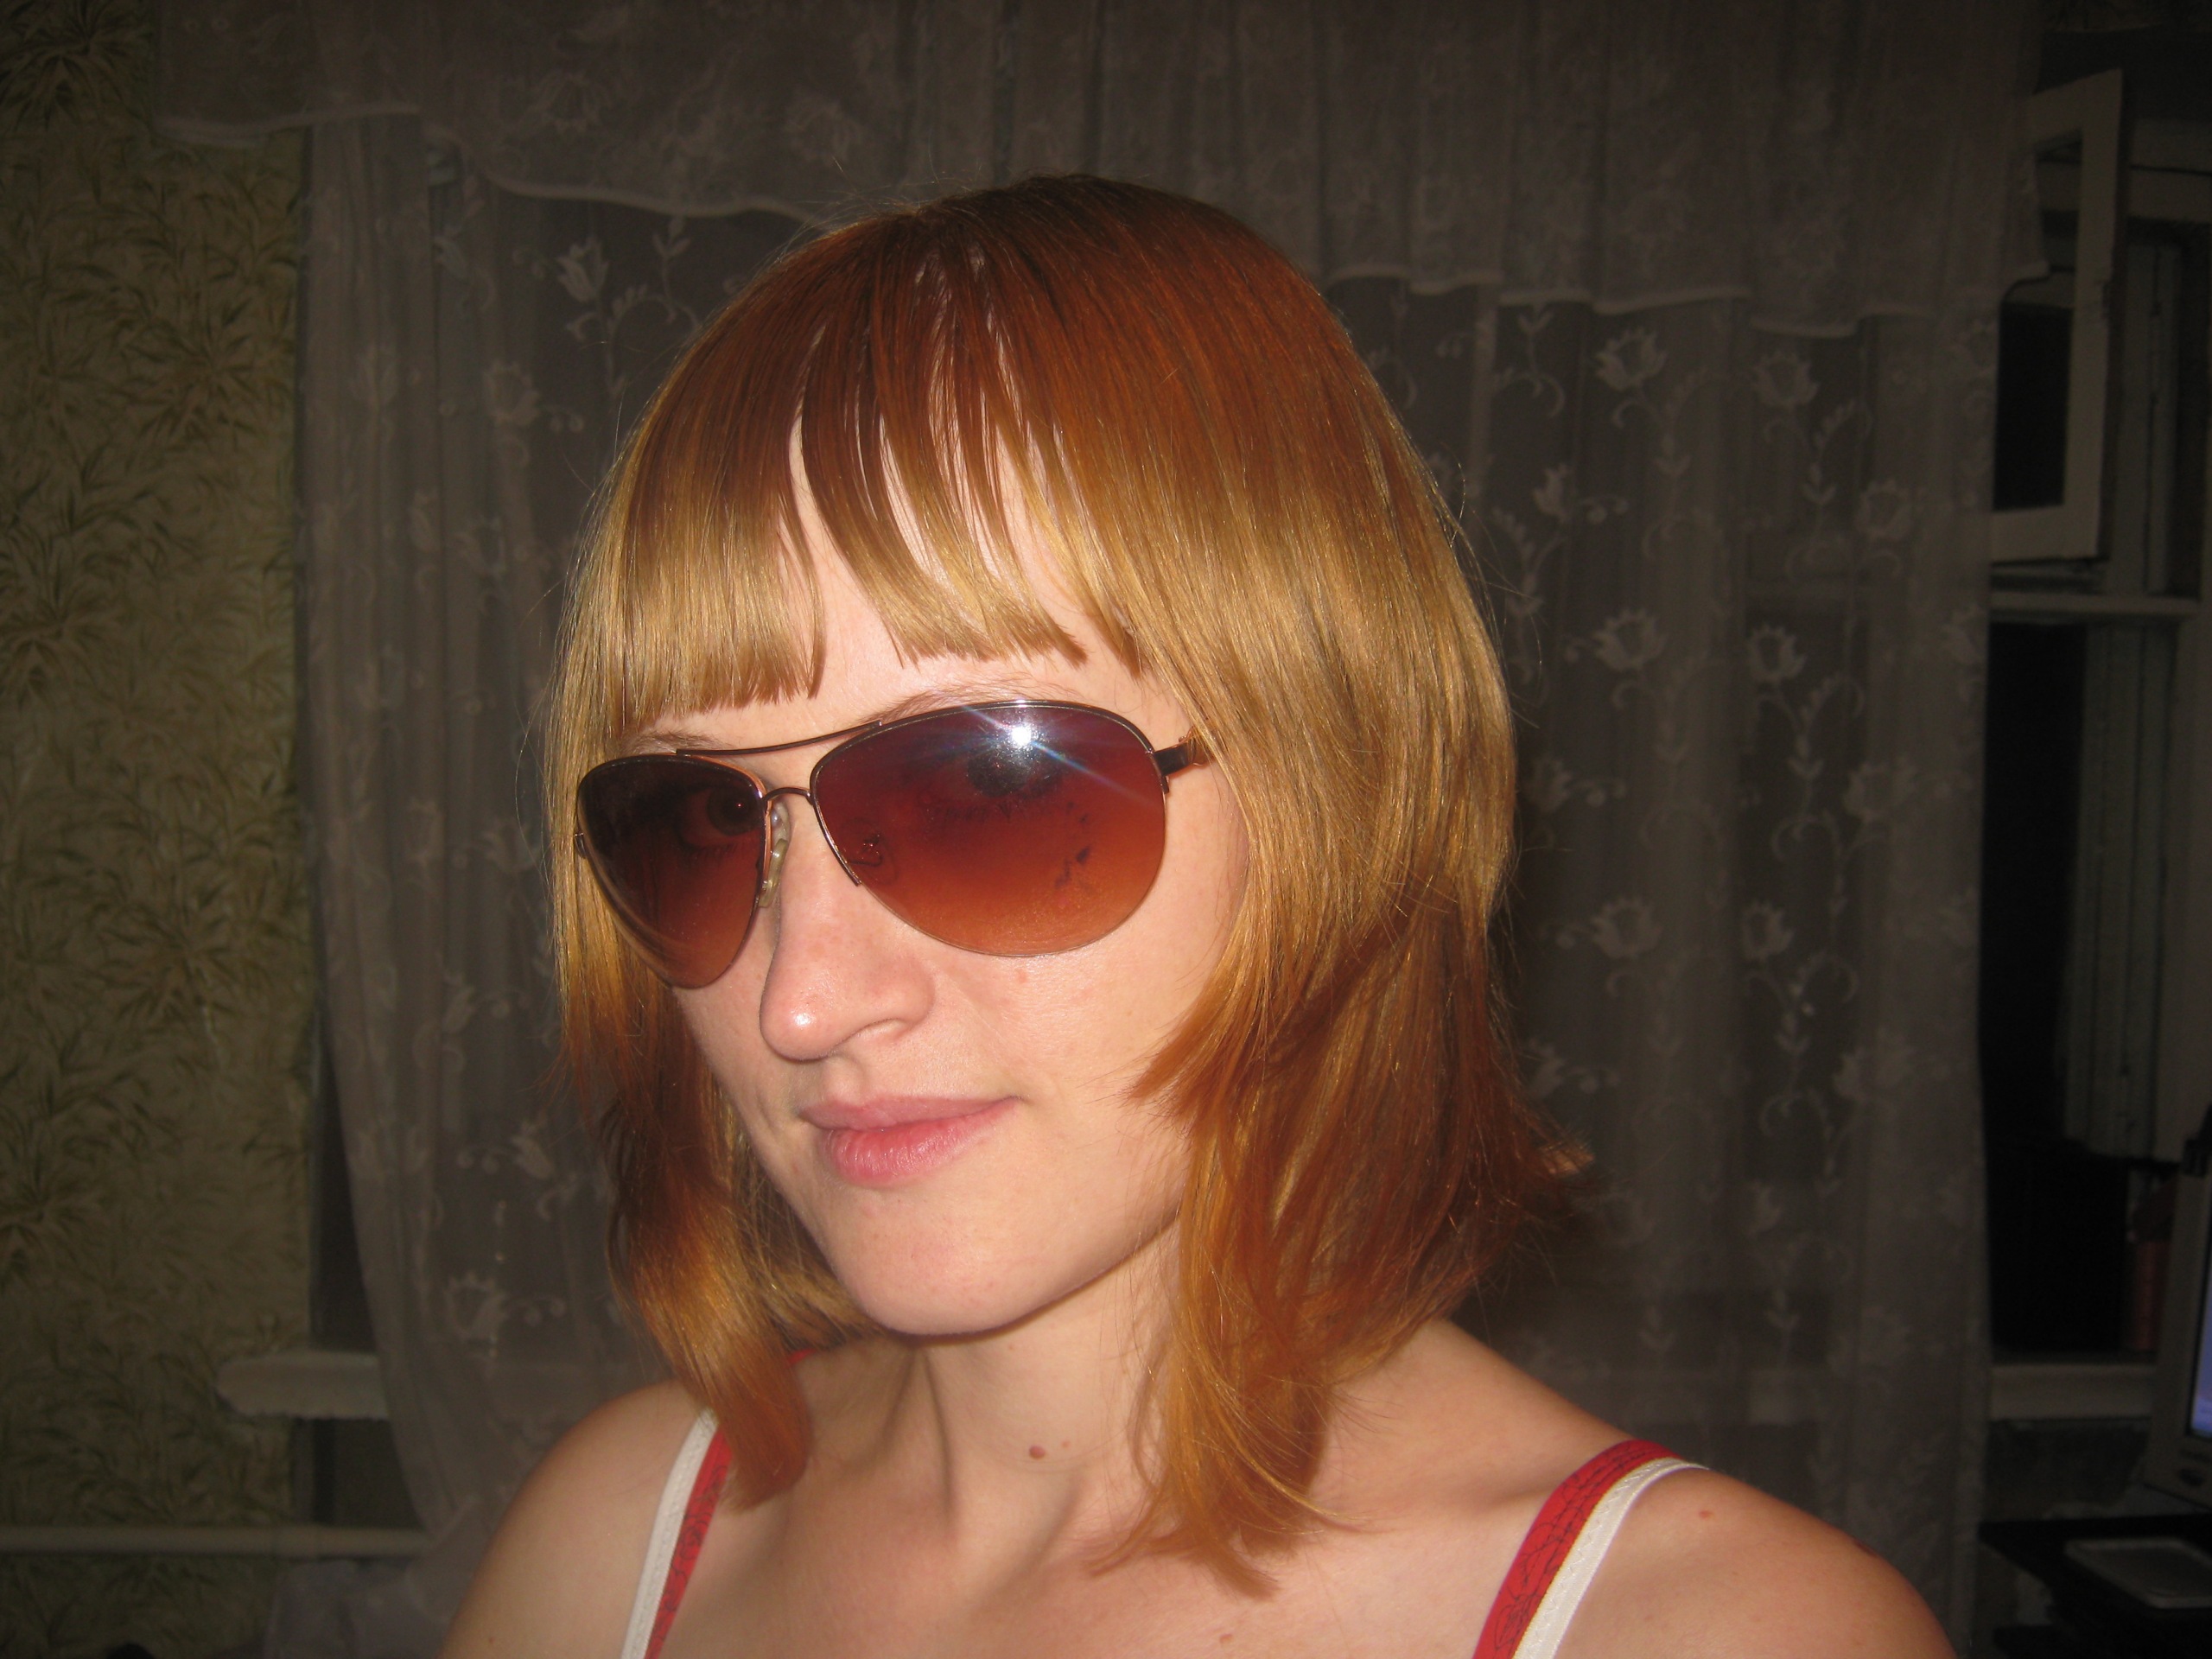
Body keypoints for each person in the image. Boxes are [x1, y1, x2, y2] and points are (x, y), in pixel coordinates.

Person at [444, 175, 1948, 1659]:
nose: (801, 1000)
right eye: (702, 820)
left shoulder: (1724, 1634)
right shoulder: (616, 1542)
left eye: (988, 787)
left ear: (1335, 799)